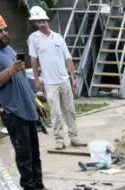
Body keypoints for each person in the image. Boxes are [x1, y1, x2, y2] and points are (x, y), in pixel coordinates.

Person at [0, 12, 60, 190]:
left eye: (5, 29)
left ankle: (38, 185)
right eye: (0, 30)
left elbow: (19, 78)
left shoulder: (8, 50)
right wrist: (10, 70)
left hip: (26, 107)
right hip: (13, 110)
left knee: (34, 151)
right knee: (24, 153)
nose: (4, 33)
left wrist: (33, 101)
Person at [27, 6, 84, 151]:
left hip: (64, 79)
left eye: (43, 20)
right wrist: (37, 79)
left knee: (70, 110)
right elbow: (34, 60)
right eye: (38, 22)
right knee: (56, 112)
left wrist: (73, 78)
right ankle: (59, 139)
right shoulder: (33, 39)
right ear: (35, 23)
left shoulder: (58, 37)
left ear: (47, 20)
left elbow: (68, 58)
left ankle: (74, 137)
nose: (41, 23)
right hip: (49, 82)